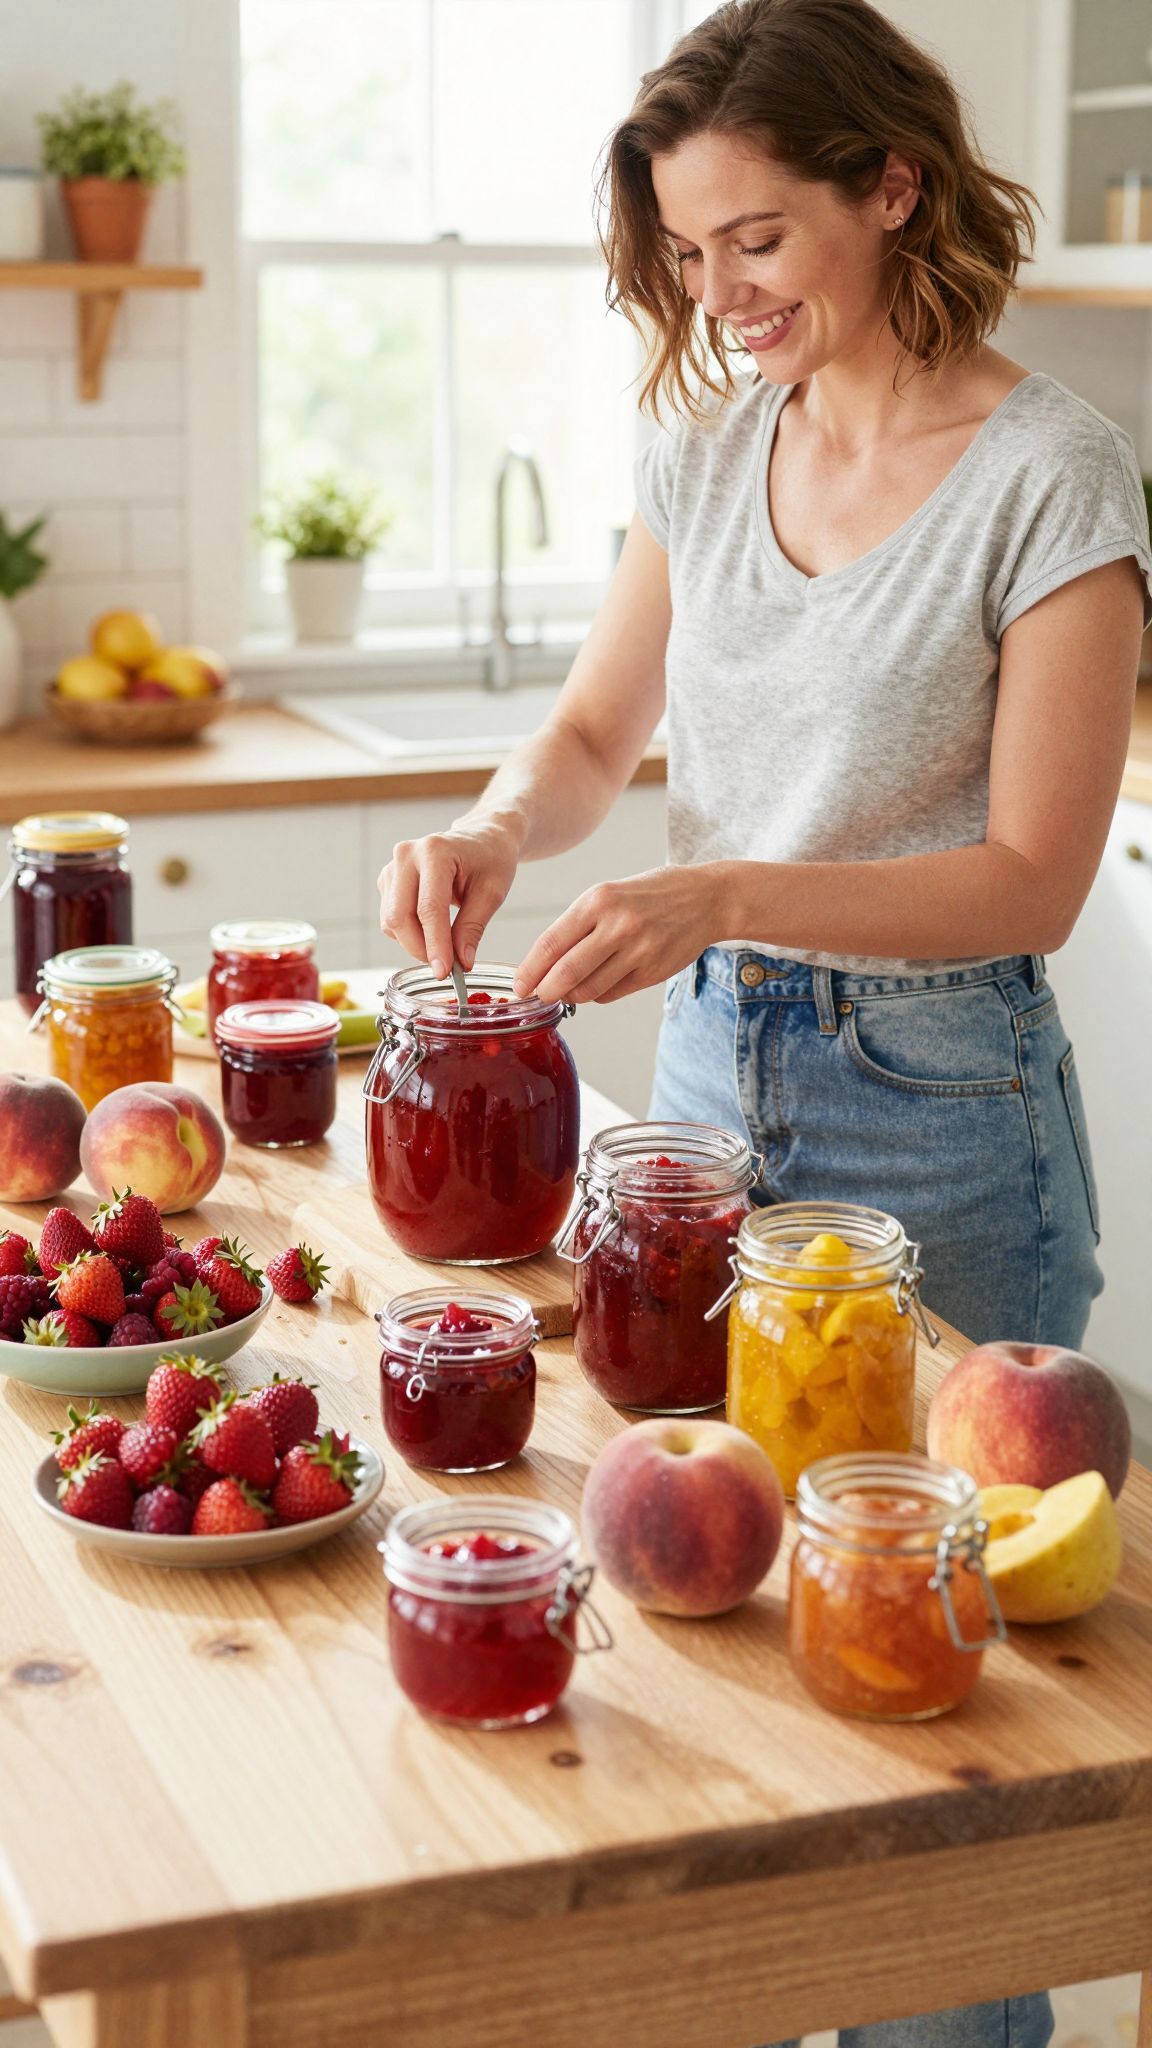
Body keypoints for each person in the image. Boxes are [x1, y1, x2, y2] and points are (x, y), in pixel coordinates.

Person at [378, 2, 1151, 2041]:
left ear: (891, 187)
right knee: (707, 1656)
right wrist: (488, 823)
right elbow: (590, 732)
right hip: (706, 1107)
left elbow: (1030, 879)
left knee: (927, 1754)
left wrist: (721, 889)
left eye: (760, 241)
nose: (720, 296)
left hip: (944, 1115)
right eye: (689, 253)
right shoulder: (707, 448)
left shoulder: (1052, 476)